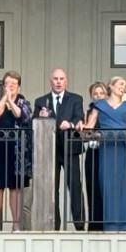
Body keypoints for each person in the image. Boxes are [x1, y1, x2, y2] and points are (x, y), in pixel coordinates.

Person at [36, 69, 87, 230]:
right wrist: (41, 117)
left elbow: (79, 118)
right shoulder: (41, 101)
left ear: (66, 81)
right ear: (51, 81)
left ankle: (79, 224)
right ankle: (54, 225)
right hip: (50, 149)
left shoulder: (76, 99)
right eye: (56, 79)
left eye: (61, 79)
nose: (58, 82)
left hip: (70, 148)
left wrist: (70, 124)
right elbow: (34, 122)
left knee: (75, 186)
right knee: (52, 189)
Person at [88, 75, 126, 231]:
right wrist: (83, 130)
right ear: (110, 86)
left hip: (125, 147)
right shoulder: (99, 105)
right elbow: (90, 125)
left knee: (125, 183)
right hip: (108, 146)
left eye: (125, 85)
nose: (123, 87)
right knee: (108, 183)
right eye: (120, 84)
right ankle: (111, 224)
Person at [0, 71, 32, 231]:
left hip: (17, 151)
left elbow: (21, 116)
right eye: (7, 83)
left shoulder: (23, 102)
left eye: (13, 84)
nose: (10, 86)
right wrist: (5, 98)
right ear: (3, 86)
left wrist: (11, 101)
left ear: (18, 87)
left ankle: (16, 225)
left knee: (15, 188)